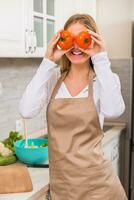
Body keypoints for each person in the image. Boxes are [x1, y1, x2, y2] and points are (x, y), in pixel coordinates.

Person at [19, 14, 128, 199]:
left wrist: (101, 58)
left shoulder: (103, 79)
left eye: (83, 39)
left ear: (93, 41)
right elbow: (26, 110)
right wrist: (47, 61)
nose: (76, 47)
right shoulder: (52, 78)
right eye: (70, 39)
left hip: (99, 188)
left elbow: (114, 110)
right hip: (63, 189)